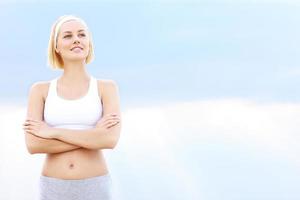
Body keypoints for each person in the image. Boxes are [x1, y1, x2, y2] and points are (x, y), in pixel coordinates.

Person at [22, 15, 121, 200]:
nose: (76, 39)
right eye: (67, 36)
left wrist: (53, 132)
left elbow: (110, 140)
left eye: (82, 34)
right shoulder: (40, 90)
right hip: (53, 186)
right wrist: (93, 135)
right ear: (56, 46)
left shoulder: (106, 88)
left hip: (95, 184)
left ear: (88, 43)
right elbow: (33, 144)